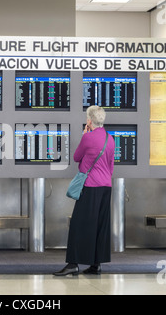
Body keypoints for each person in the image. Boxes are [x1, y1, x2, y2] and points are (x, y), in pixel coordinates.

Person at [54, 105, 115, 276]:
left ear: (89, 120)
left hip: (91, 186)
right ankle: (96, 264)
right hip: (106, 186)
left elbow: (76, 157)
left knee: (78, 225)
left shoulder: (88, 138)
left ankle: (73, 264)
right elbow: (110, 165)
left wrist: (84, 136)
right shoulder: (110, 139)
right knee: (100, 226)